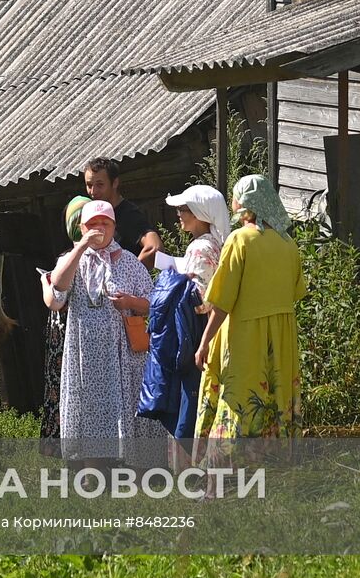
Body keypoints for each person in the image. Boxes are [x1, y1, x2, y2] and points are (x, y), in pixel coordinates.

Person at [46, 199, 161, 465]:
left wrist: (130, 302)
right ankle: (92, 465)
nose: (99, 228)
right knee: (90, 406)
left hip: (122, 354)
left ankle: (127, 463)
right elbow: (58, 294)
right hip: (85, 354)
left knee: (124, 405)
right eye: (92, 224)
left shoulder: (130, 262)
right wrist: (82, 247)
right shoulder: (73, 260)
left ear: (114, 227)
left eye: (104, 223)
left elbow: (152, 305)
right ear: (82, 227)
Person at [193, 174, 307, 443]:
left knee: (241, 397)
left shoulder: (240, 240)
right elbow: (296, 291)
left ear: (245, 203)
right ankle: (276, 460)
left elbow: (221, 302)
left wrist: (205, 341)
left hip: (246, 335)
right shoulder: (288, 244)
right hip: (281, 338)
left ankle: (231, 464)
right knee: (275, 394)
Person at [139, 185, 230, 440]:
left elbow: (202, 301)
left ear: (201, 213)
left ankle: (190, 469)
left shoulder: (201, 248)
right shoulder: (213, 243)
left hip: (195, 330)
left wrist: (174, 281)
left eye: (183, 209)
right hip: (207, 328)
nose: (178, 213)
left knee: (189, 398)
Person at [38, 195, 91, 451]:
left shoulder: (70, 258)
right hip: (69, 334)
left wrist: (45, 284)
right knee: (68, 391)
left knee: (67, 391)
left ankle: (69, 448)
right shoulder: (70, 258)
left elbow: (53, 300)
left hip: (67, 334)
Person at [83, 157, 162, 270]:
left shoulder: (128, 214)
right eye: (89, 185)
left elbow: (155, 247)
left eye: (100, 185)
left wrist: (128, 275)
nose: (93, 192)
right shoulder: (93, 214)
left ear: (115, 183)